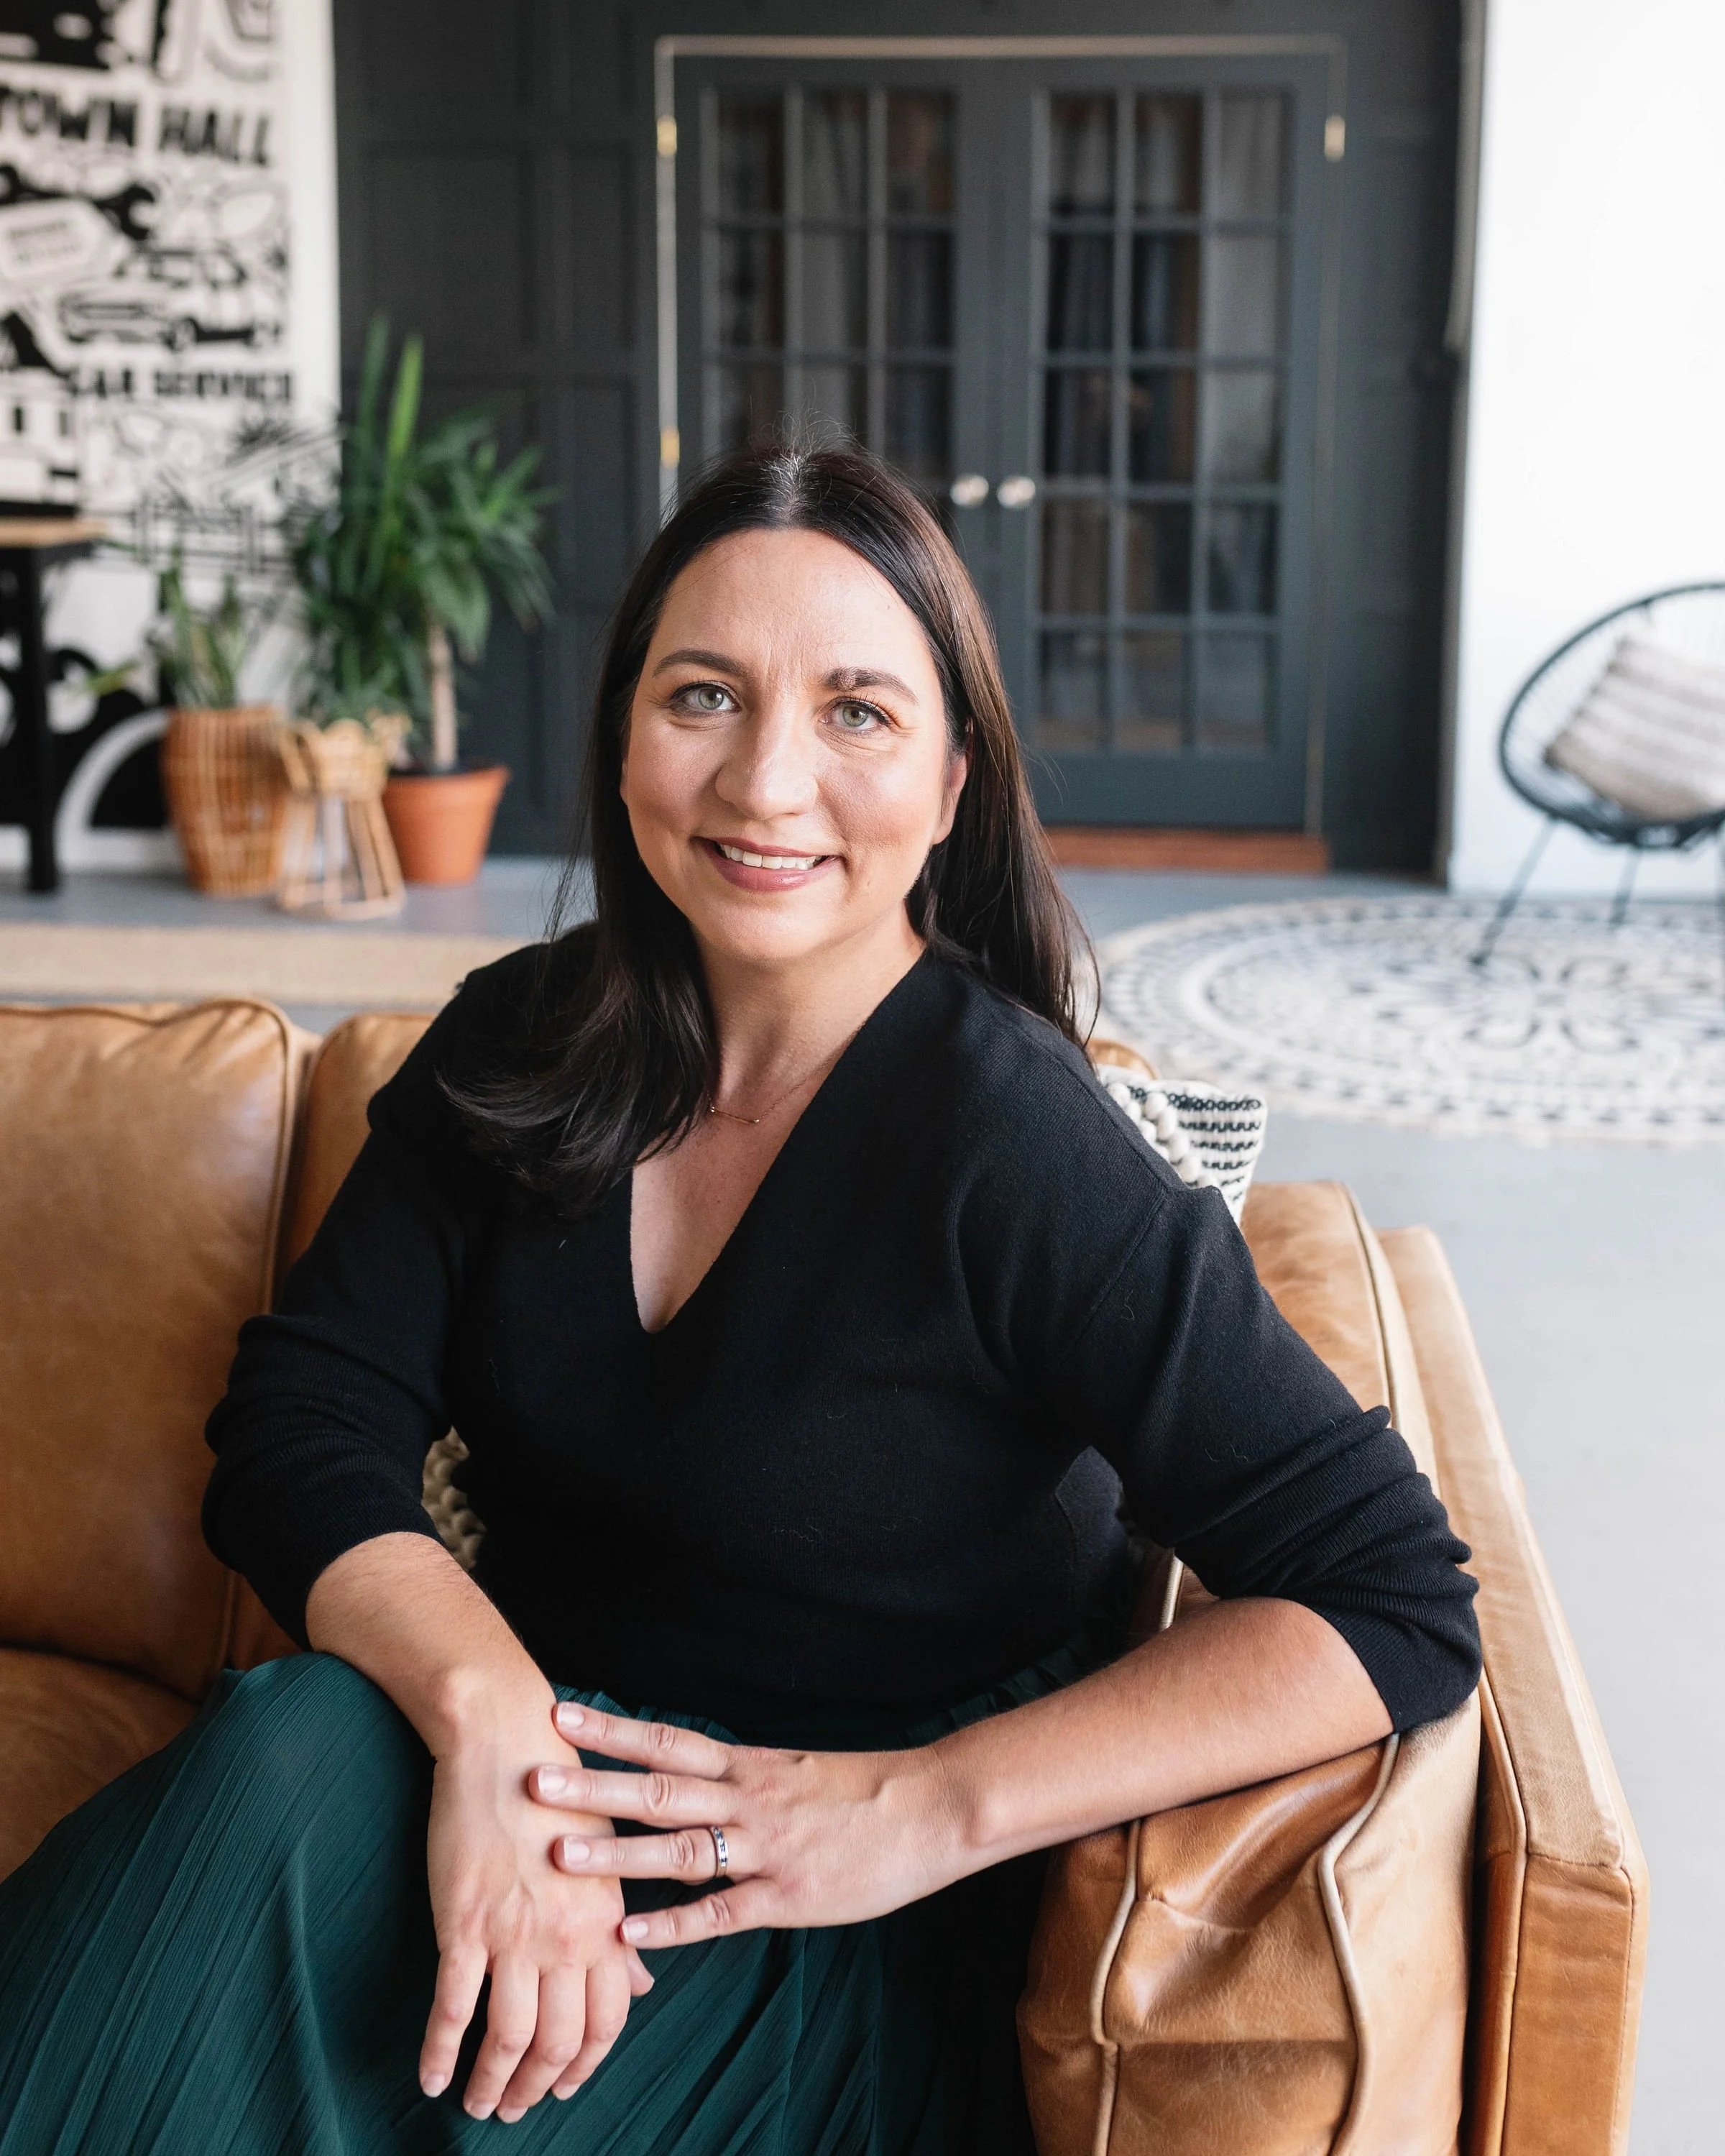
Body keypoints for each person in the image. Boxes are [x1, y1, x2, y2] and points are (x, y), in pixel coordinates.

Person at [0, 446, 1479, 2154]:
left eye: (857, 711)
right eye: (704, 695)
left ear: (950, 783)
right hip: (524, 1803)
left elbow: (1397, 1597)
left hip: (808, 1920)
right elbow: (300, 1419)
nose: (768, 783)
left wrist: (927, 1812)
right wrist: (493, 1727)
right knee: (294, 1746)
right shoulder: (515, 1043)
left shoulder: (1014, 1142)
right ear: (624, 733)